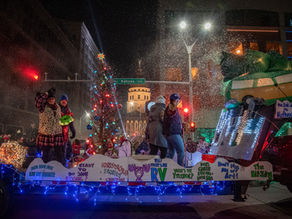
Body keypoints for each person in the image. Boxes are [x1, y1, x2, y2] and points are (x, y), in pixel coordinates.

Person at [35, 88, 64, 164]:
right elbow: (38, 100)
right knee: (46, 154)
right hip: (46, 133)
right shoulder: (42, 107)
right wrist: (47, 93)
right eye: (49, 99)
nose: (51, 100)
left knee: (59, 154)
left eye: (53, 98)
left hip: (57, 133)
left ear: (54, 99)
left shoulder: (58, 107)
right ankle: (45, 169)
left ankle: (60, 169)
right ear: (47, 99)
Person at [163, 93, 185, 166]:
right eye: (177, 100)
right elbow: (171, 114)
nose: (178, 102)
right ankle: (179, 168)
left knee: (171, 152)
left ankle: (164, 167)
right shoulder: (171, 107)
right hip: (174, 133)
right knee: (181, 151)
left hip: (169, 134)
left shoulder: (171, 108)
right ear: (174, 100)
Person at [59, 94, 76, 161]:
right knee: (57, 150)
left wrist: (73, 131)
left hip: (65, 134)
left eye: (65, 100)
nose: (64, 102)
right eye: (62, 100)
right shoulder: (57, 109)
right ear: (60, 101)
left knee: (64, 149)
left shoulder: (68, 111)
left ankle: (62, 164)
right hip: (56, 133)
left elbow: (70, 123)